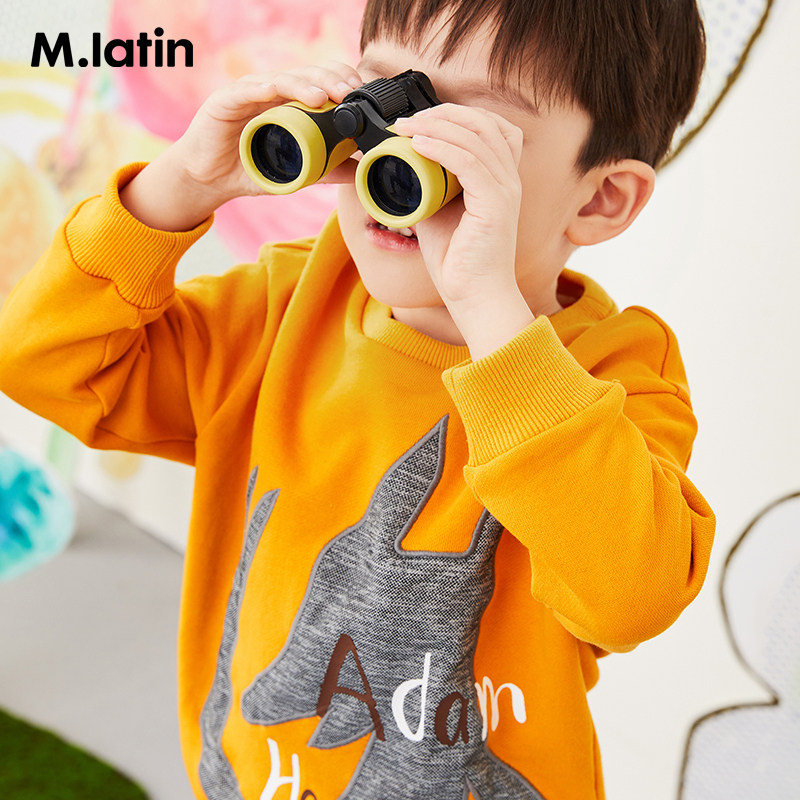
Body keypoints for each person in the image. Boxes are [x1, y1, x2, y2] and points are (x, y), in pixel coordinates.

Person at [0, 0, 716, 798]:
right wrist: (179, 187)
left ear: (599, 199)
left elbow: (632, 596)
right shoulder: (280, 309)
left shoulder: (608, 372)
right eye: (384, 93)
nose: (399, 147)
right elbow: (45, 360)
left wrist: (486, 304)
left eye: (466, 133)